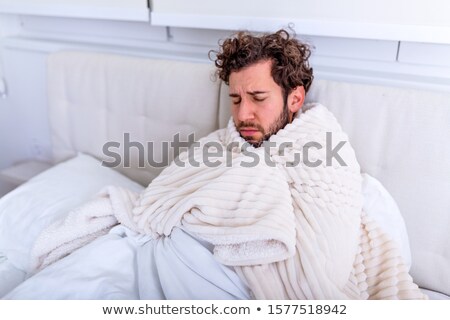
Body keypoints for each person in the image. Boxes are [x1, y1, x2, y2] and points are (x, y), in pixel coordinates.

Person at [5, 30, 425, 300]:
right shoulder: (228, 139)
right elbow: (166, 194)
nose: (244, 113)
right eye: (237, 99)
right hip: (169, 254)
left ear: (294, 99)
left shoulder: (323, 151)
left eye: (259, 99)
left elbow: (322, 272)